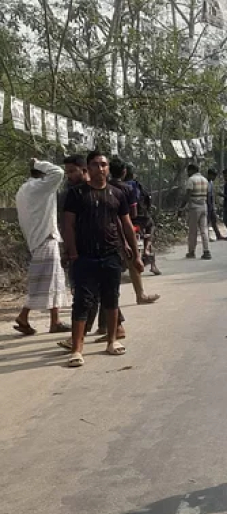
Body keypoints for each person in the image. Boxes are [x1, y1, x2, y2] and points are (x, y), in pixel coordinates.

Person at [62, 151, 144, 367]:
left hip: (111, 255)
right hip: (84, 256)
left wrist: (135, 255)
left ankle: (112, 340)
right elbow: (68, 224)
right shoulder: (76, 194)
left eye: (104, 164)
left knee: (111, 298)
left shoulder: (118, 194)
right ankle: (77, 349)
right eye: (96, 165)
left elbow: (126, 224)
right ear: (88, 169)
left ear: (108, 168)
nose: (100, 168)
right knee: (82, 301)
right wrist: (71, 252)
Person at [13, 159, 70, 336]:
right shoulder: (39, 187)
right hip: (45, 238)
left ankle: (55, 321)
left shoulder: (23, 189)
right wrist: (39, 162)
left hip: (37, 239)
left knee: (52, 280)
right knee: (43, 282)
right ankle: (24, 316)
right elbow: (58, 172)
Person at [110, 159, 159, 305]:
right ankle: (140, 294)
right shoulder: (129, 188)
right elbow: (134, 211)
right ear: (124, 172)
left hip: (108, 228)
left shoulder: (105, 186)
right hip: (128, 225)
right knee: (132, 259)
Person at [125, 163, 161, 275]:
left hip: (127, 218)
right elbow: (147, 201)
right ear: (133, 174)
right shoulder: (138, 185)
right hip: (142, 218)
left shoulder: (119, 186)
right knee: (150, 227)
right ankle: (147, 251)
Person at [181, 163, 211, 260]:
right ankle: (206, 251)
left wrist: (181, 207)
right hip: (204, 205)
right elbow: (208, 194)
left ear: (191, 170)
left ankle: (191, 251)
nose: (187, 173)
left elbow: (188, 194)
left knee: (192, 231)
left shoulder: (191, 180)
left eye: (188, 171)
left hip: (194, 207)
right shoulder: (205, 180)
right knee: (204, 230)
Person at [206, 169, 225, 241]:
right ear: (210, 175)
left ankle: (218, 235)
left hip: (211, 205)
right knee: (206, 222)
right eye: (214, 176)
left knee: (214, 221)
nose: (214, 178)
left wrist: (214, 205)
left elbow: (212, 194)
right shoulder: (205, 182)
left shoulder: (211, 182)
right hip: (207, 205)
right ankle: (207, 237)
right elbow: (206, 195)